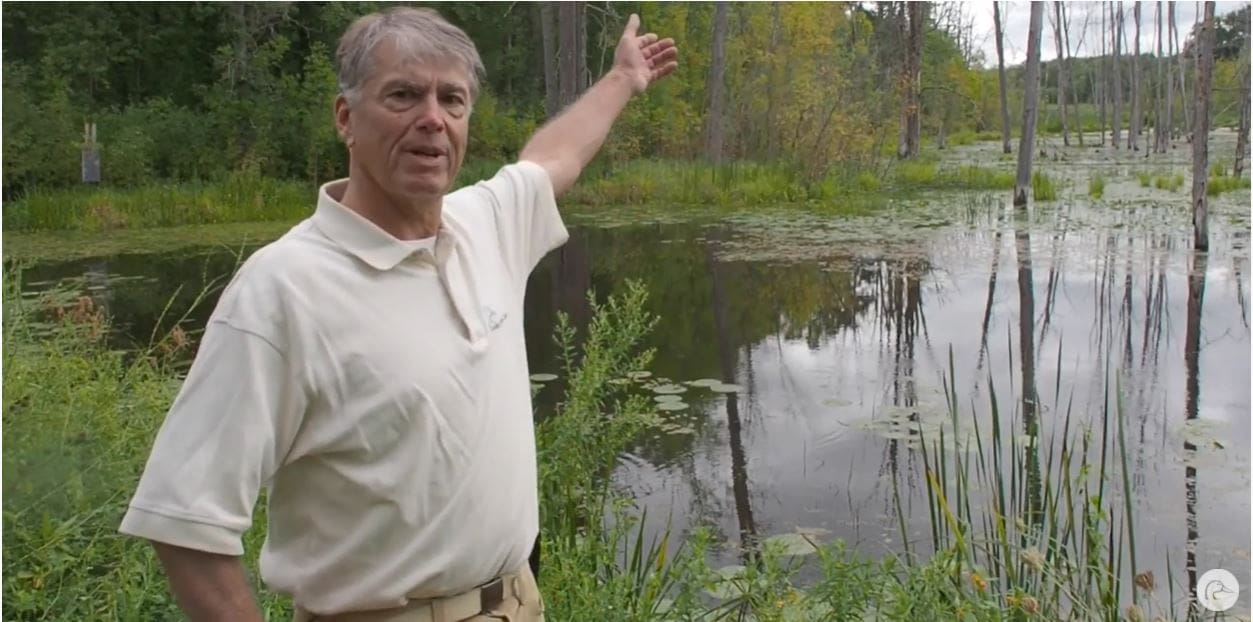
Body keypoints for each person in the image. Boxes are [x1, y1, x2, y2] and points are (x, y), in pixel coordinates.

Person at [117, 7, 678, 622]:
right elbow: (184, 520)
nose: (432, 119)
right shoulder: (284, 289)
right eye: (404, 95)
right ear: (345, 118)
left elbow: (552, 159)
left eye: (452, 100)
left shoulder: (485, 226)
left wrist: (623, 78)